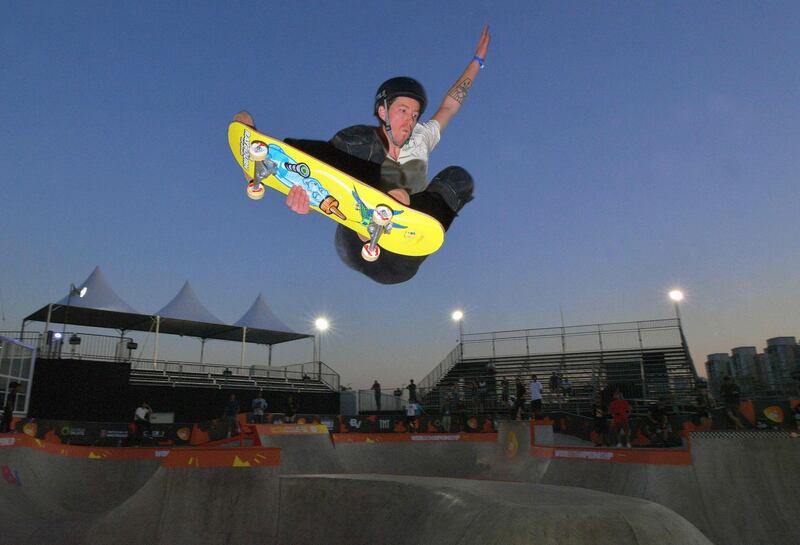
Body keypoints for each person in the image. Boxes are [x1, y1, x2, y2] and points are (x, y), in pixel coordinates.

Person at [234, 27, 491, 284]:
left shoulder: (424, 135)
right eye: (402, 111)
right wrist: (305, 194)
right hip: (352, 243)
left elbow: (450, 105)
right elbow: (325, 165)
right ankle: (267, 155)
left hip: (399, 259)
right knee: (362, 149)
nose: (409, 121)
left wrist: (477, 61)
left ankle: (397, 212)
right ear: (382, 111)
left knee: (458, 178)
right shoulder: (360, 141)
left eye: (414, 115)